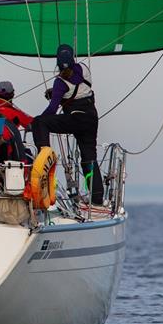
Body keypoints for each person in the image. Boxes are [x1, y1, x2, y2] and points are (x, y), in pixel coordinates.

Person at [31, 44, 104, 204]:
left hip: (75, 120)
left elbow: (52, 109)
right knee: (89, 159)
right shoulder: (84, 69)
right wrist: (57, 93)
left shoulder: (60, 83)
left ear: (57, 64)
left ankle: (44, 159)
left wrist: (35, 125)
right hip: (91, 118)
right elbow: (78, 87)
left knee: (39, 122)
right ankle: (98, 199)